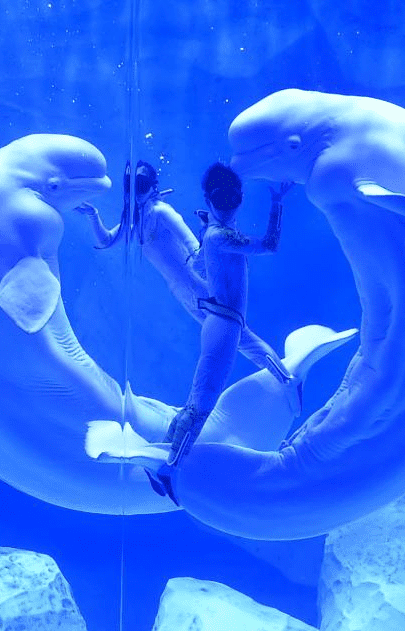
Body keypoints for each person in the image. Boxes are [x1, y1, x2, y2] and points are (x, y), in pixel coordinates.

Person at [147, 163, 291, 502]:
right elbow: (269, 245)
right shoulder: (221, 236)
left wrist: (208, 223)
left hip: (226, 323)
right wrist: (278, 202)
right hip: (224, 326)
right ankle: (166, 467)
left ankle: (288, 387)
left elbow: (200, 260)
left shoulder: (217, 233)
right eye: (228, 197)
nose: (229, 202)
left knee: (262, 359)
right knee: (200, 404)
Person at [76, 160, 292, 384]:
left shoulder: (161, 212)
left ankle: (285, 379)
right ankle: (283, 378)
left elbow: (194, 248)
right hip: (184, 294)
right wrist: (93, 214)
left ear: (153, 186)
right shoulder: (139, 220)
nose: (135, 190)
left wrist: (219, 269)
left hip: (199, 290)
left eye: (141, 183)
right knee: (235, 342)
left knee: (240, 339)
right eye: (130, 184)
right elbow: (106, 240)